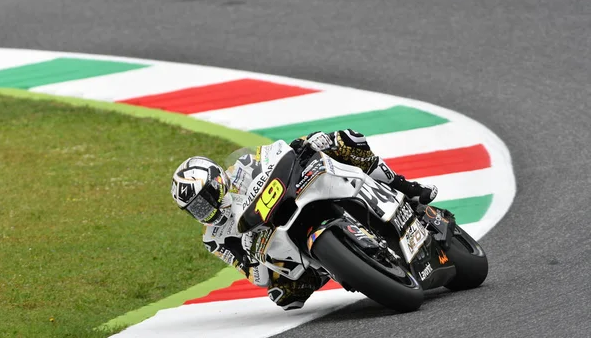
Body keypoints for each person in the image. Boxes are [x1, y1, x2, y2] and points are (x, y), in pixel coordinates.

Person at [171, 129, 437, 310]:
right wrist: (255, 258)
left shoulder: (241, 168)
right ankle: (345, 266)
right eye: (197, 210)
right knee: (283, 297)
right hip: (277, 246)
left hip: (293, 195)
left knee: (345, 140)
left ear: (218, 182)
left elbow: (275, 153)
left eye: (205, 199)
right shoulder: (214, 239)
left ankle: (407, 189)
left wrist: (305, 144)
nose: (205, 211)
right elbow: (253, 274)